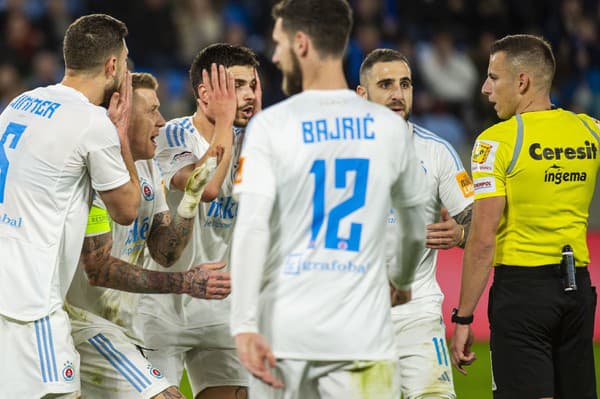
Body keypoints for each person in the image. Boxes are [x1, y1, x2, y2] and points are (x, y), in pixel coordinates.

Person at [230, 1, 428, 398]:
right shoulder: (388, 129)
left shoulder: (271, 126)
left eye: (278, 43)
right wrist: (403, 279)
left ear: (301, 43)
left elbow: (251, 227)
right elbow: (414, 226)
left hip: (283, 333)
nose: (275, 55)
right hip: (363, 335)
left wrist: (243, 323)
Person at [65, 72, 231, 399]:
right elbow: (97, 269)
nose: (162, 120)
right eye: (152, 111)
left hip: (125, 331)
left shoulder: (148, 167)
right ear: (123, 117)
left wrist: (189, 202)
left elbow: (163, 251)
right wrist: (184, 282)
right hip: (85, 327)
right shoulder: (95, 172)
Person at [450, 34, 599, 399]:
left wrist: (464, 317)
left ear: (522, 81)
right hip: (578, 290)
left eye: (493, 77)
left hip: (523, 293)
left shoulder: (495, 142)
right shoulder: (590, 131)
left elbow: (484, 239)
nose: (485, 88)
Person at [0, 14, 139, 398]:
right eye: (125, 62)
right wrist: (121, 133)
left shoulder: (21, 102)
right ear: (112, 65)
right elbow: (127, 209)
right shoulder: (91, 123)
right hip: (31, 304)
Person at [134, 43, 261, 399]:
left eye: (253, 85)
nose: (249, 95)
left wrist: (260, 132)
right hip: (163, 311)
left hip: (221, 309)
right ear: (205, 94)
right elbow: (205, 187)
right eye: (238, 86)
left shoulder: (251, 143)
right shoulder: (172, 134)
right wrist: (224, 120)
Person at [357, 48, 473, 399]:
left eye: (405, 84)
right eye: (386, 84)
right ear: (362, 95)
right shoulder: (336, 154)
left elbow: (476, 226)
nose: (397, 93)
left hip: (417, 315)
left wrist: (461, 233)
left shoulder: (436, 152)